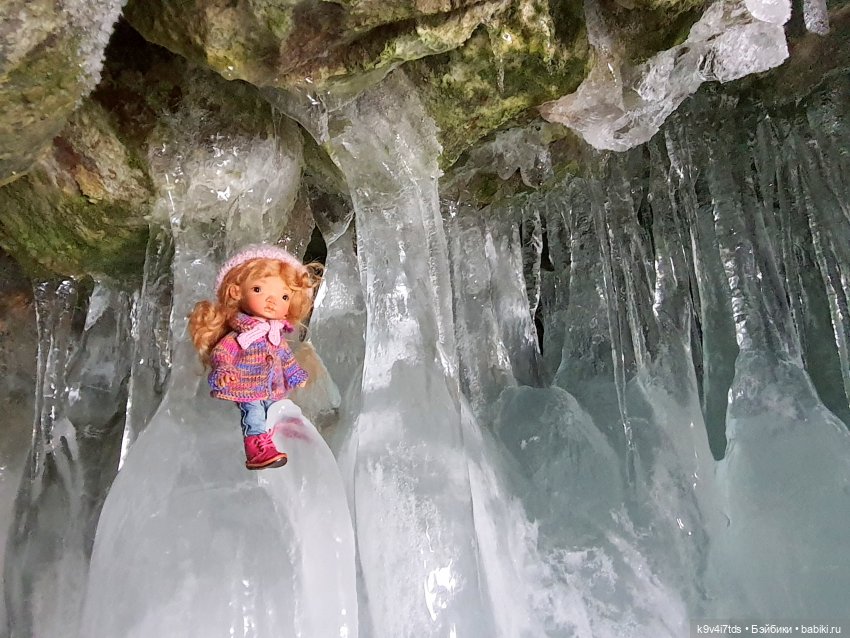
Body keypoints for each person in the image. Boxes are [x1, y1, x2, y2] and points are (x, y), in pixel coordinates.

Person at [189, 244, 322, 470]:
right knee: (254, 412)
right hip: (247, 385)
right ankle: (256, 446)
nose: (272, 301)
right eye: (259, 290)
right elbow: (223, 352)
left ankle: (282, 433)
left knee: (276, 407)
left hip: (271, 385)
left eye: (283, 296)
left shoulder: (275, 334)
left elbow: (285, 356)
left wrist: (295, 372)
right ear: (237, 292)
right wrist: (224, 369)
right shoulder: (242, 335)